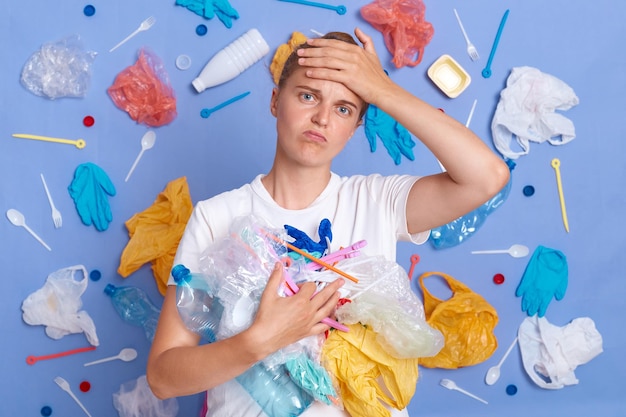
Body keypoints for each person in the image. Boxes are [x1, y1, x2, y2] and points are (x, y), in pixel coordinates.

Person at [147, 28, 510, 416]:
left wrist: (381, 89)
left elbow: (486, 177)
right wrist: (258, 341)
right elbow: (163, 378)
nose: (321, 118)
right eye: (308, 96)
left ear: (355, 125)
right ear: (274, 101)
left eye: (344, 108)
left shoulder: (377, 201)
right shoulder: (216, 216)